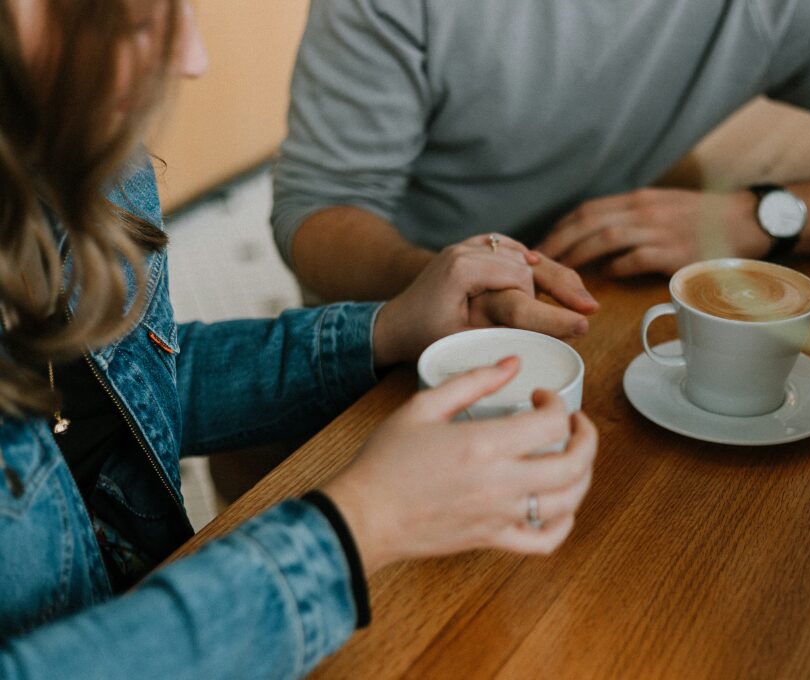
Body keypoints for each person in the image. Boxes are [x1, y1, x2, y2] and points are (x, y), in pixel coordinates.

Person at [0, 2, 598, 677]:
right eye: (137, 18)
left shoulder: (63, 153)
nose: (191, 60)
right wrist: (357, 527)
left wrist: (384, 328)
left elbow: (129, 392)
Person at [272, 0, 810, 305]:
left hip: (610, 288)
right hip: (397, 313)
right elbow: (319, 212)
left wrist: (767, 215)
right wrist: (433, 278)